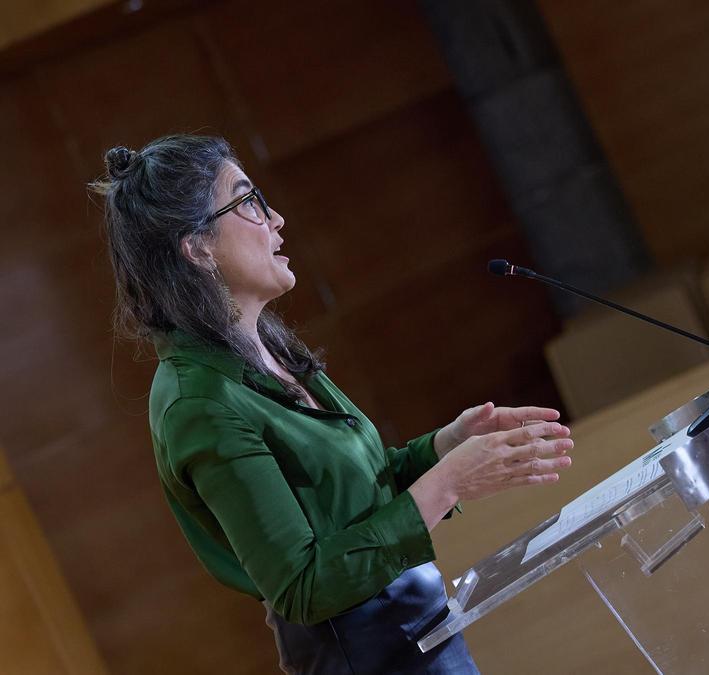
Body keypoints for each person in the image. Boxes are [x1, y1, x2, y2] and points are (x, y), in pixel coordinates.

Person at [92, 134, 575, 674]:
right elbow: (301, 586)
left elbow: (352, 499)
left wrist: (446, 446)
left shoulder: (262, 347)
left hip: (419, 638)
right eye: (247, 202)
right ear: (198, 247)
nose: (276, 218)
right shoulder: (200, 404)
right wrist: (450, 482)